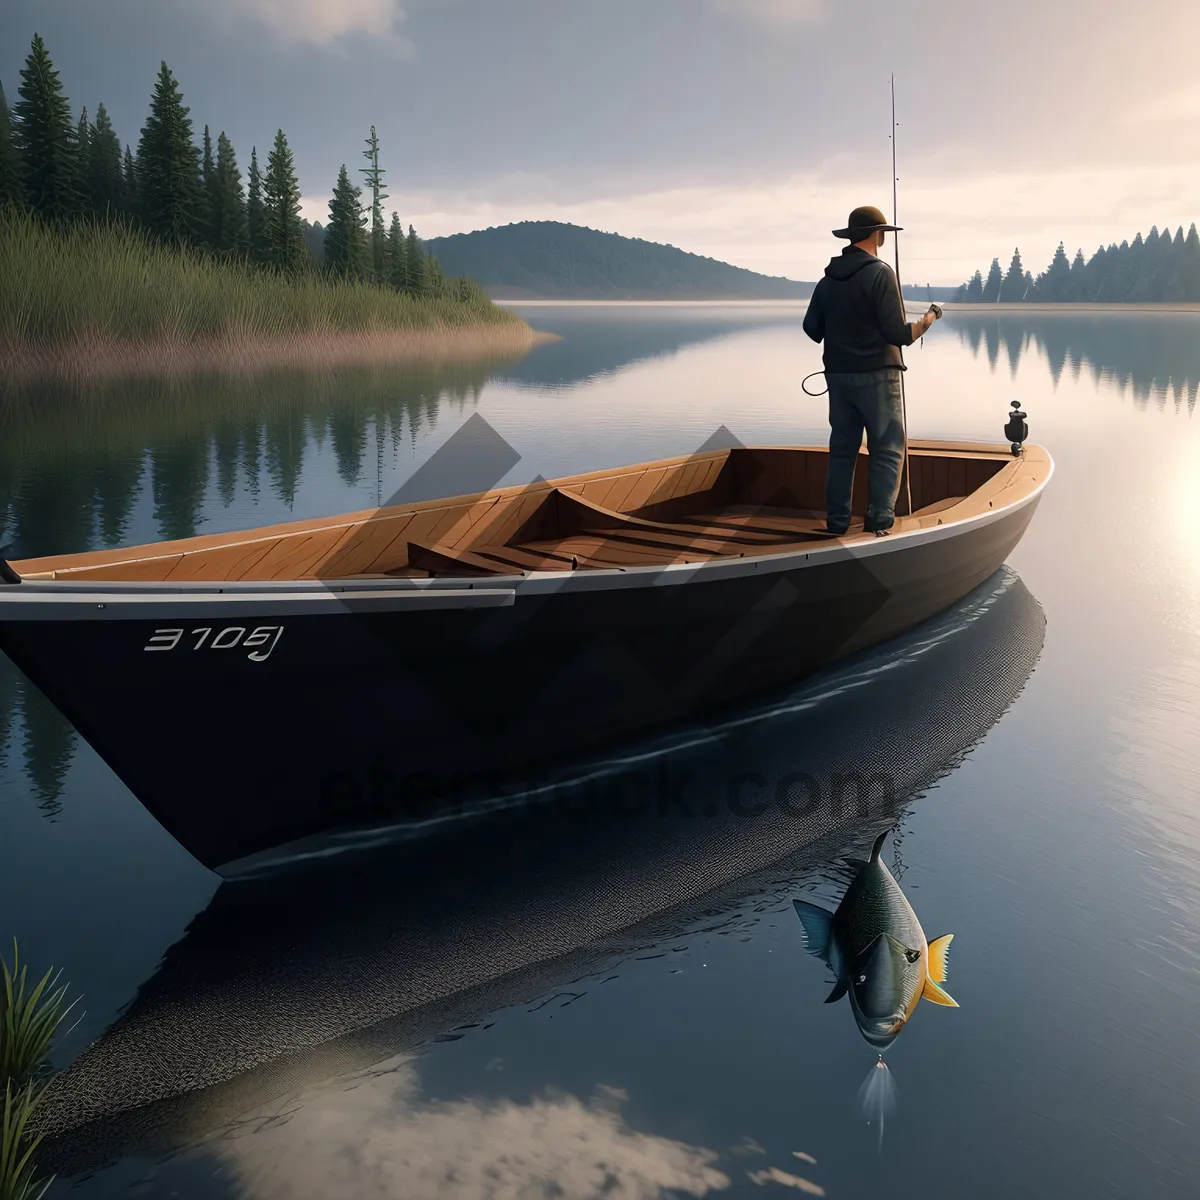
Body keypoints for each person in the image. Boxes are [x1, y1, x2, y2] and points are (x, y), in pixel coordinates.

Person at [802, 205, 940, 536]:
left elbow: (811, 328)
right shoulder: (881, 273)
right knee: (887, 448)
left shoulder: (827, 280)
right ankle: (878, 525)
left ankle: (836, 524)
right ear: (877, 234)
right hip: (879, 377)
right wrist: (929, 320)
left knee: (842, 451)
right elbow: (898, 335)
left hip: (837, 378)